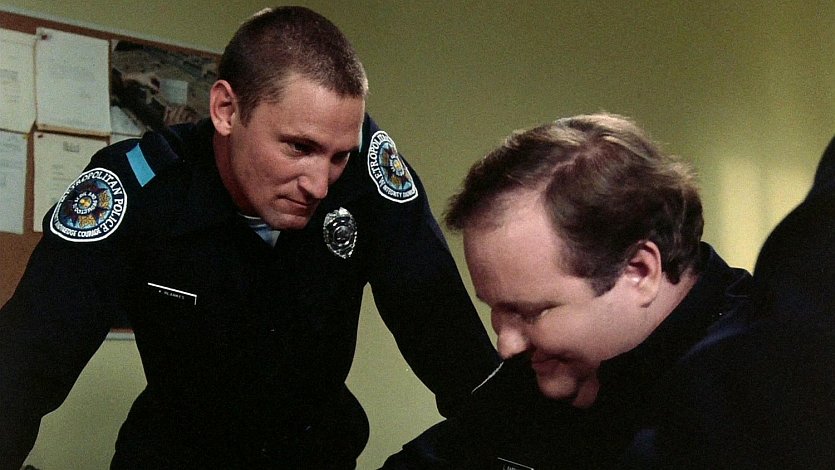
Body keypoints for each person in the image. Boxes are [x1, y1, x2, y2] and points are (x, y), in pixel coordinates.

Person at [0, 7, 497, 469]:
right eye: (298, 147)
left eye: (339, 155)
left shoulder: (367, 175)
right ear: (226, 110)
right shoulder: (136, 191)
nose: (320, 185)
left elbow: (457, 353)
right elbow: (21, 371)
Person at [382, 112, 756, 469]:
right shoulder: (544, 364)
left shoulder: (759, 392)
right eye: (496, 309)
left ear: (639, 271)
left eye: (529, 312)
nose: (506, 346)